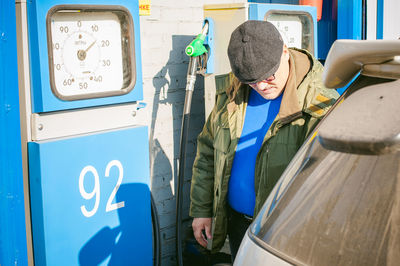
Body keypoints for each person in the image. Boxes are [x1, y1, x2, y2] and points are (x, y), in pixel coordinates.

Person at [189, 20, 339, 261]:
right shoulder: (232, 91)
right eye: (251, 80)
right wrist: (202, 210)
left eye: (268, 76)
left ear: (284, 52)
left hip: (284, 234)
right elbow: (208, 152)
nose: (260, 86)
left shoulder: (320, 103)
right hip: (238, 226)